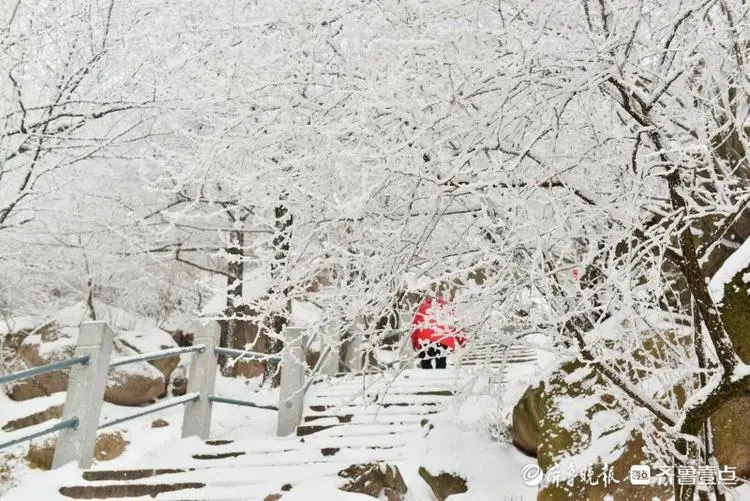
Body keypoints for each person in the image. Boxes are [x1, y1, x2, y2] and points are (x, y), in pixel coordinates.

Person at [410, 295, 465, 369]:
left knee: (426, 362)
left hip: (425, 340)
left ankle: (426, 378)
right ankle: (440, 376)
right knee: (441, 363)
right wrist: (462, 342)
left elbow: (415, 326)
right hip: (444, 340)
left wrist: (414, 342)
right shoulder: (447, 308)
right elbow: (455, 325)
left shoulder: (422, 308)